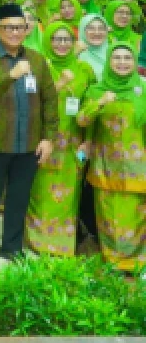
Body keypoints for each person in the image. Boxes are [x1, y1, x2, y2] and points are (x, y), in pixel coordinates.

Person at [0, 3, 58, 266]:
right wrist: (11, 75)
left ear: (27, 29)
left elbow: (50, 101)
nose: (15, 32)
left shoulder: (37, 60)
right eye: (9, 27)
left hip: (29, 144)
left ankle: (11, 247)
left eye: (20, 27)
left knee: (18, 200)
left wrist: (48, 137)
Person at [77, 43, 146, 272]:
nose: (122, 62)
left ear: (135, 62)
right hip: (106, 164)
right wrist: (100, 103)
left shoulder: (143, 89)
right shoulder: (96, 90)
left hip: (138, 165)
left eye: (127, 58)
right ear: (109, 61)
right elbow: (82, 120)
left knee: (137, 215)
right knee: (108, 214)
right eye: (117, 57)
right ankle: (113, 263)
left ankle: (137, 263)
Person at [25, 22, 92, 257]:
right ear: (48, 41)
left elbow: (90, 106)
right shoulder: (38, 67)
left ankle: (63, 246)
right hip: (43, 139)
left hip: (73, 142)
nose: (62, 44)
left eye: (66, 40)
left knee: (69, 194)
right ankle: (38, 243)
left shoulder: (85, 70)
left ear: (74, 44)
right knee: (41, 191)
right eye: (56, 39)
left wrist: (89, 139)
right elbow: (30, 101)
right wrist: (61, 83)